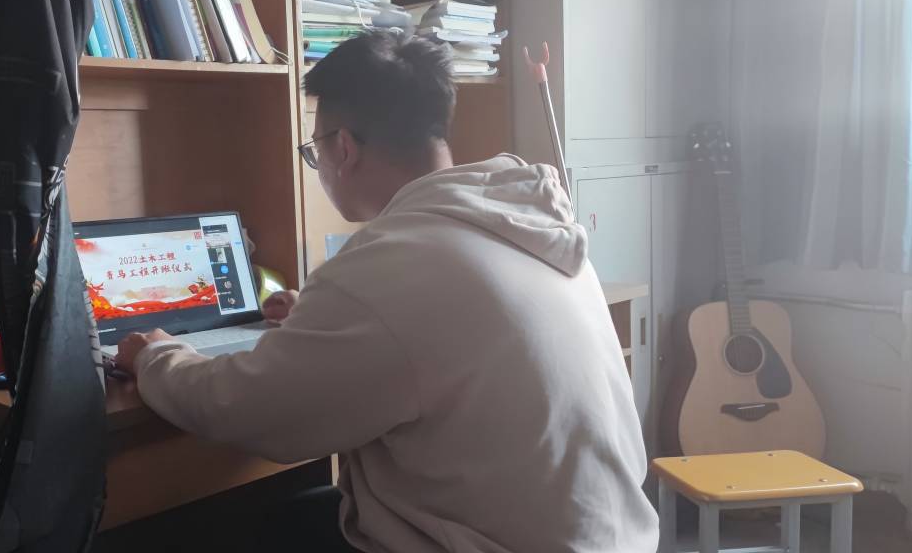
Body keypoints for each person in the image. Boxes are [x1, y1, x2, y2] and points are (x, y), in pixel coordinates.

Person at [114, 30, 658, 553]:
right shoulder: (527, 223)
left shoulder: (390, 265)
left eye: (315, 151)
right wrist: (322, 320)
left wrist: (156, 357)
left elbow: (248, 410)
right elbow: (435, 333)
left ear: (343, 148)